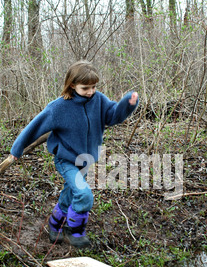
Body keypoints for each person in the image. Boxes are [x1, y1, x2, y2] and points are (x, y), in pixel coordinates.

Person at [10, 60, 139, 248]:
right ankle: (75, 231)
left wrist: (127, 104)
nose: (91, 91)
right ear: (72, 85)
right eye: (85, 88)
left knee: (70, 193)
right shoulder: (58, 108)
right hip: (66, 160)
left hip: (85, 160)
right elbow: (35, 127)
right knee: (84, 194)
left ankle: (55, 226)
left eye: (94, 87)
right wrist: (17, 149)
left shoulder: (99, 100)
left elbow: (113, 116)